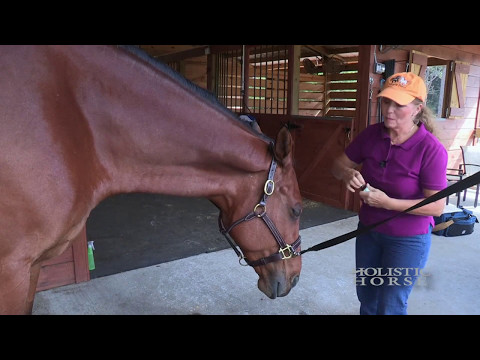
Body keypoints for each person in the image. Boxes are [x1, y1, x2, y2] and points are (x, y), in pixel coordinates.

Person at [331, 72, 448, 315]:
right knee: (367, 296)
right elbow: (337, 165)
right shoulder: (372, 134)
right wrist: (346, 174)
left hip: (408, 238)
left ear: (417, 108)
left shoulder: (431, 149)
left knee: (391, 303)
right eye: (386, 101)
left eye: (399, 104)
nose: (389, 110)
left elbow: (437, 207)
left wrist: (388, 203)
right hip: (369, 231)